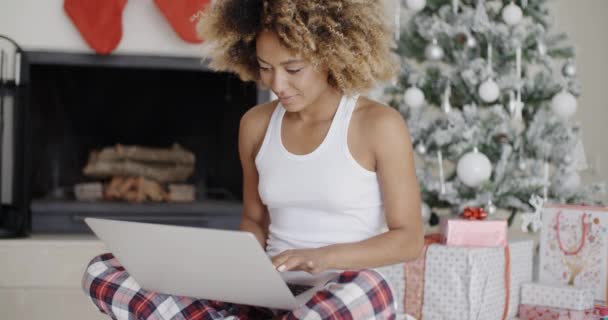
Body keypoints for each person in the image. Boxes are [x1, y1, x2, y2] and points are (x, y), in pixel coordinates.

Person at [82, 0, 424, 319]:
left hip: (338, 290)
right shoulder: (256, 125)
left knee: (370, 288)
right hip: (268, 290)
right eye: (265, 68)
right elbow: (254, 221)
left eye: (293, 68)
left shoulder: (378, 125)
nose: (277, 83)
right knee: (105, 270)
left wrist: (323, 258)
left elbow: (409, 239)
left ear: (330, 55)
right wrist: (235, 270)